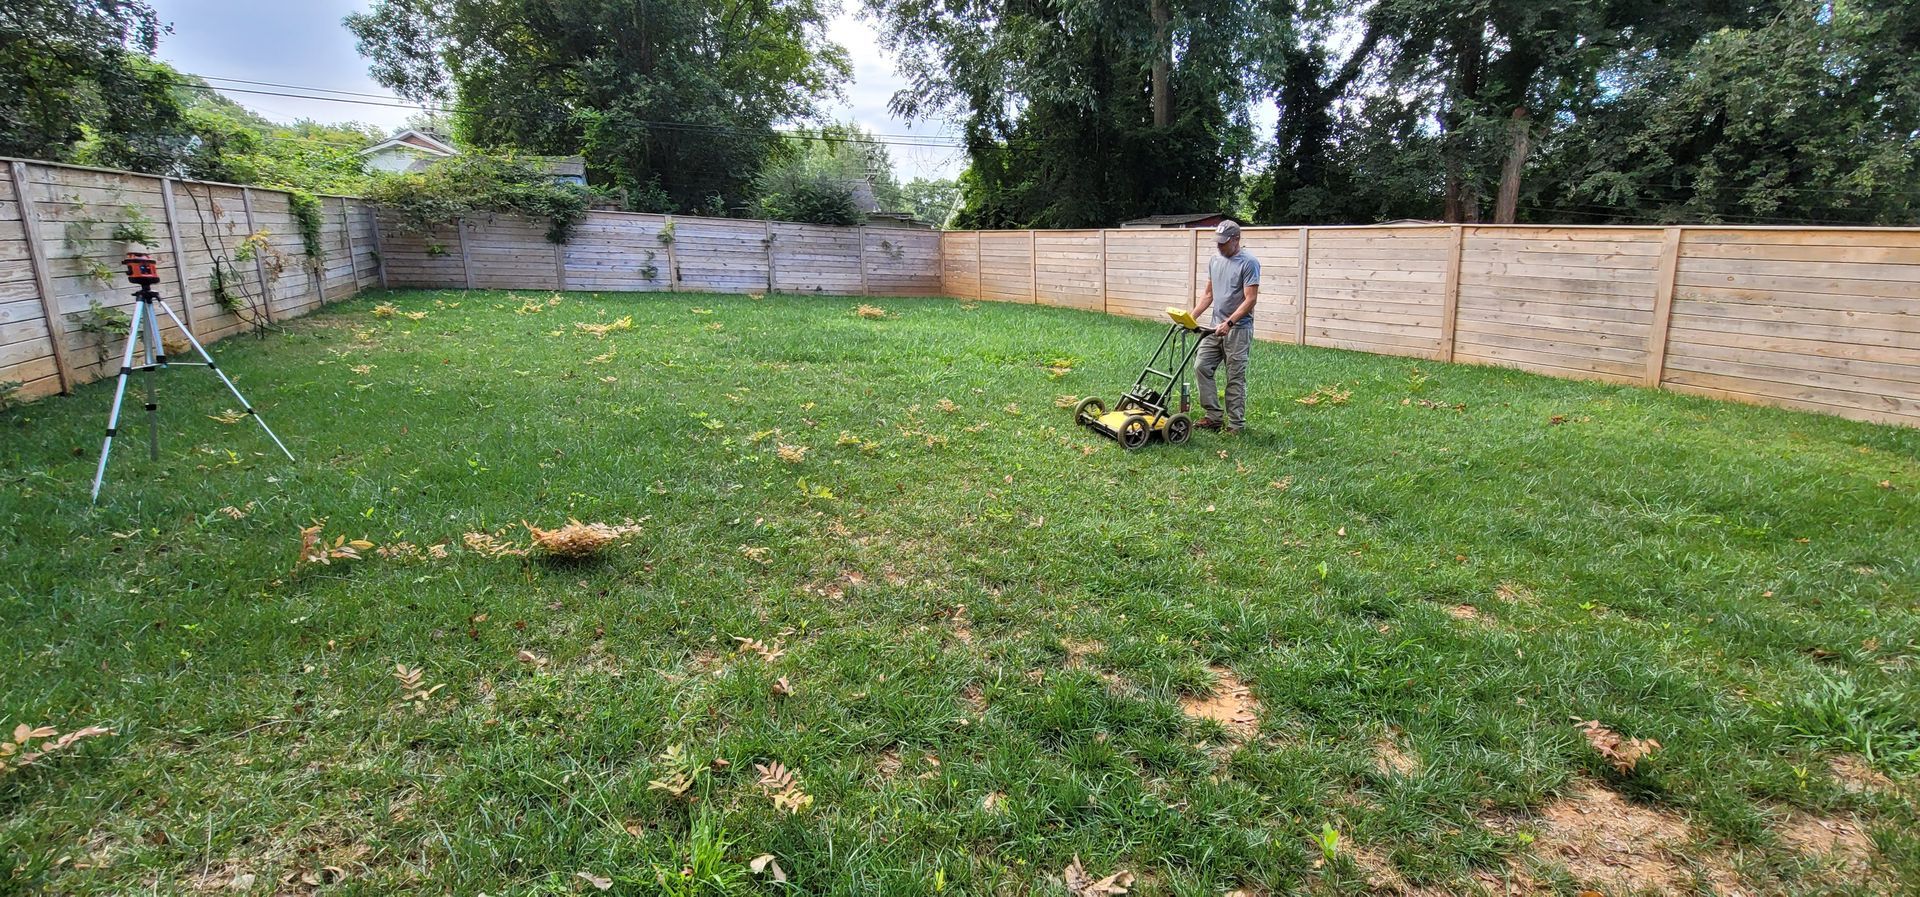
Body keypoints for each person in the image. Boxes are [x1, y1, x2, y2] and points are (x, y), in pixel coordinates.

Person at [1188, 220, 1259, 434]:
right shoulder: (1215, 260)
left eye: (1224, 242)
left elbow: (1250, 299)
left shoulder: (1249, 263)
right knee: (1201, 366)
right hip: (1214, 327)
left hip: (1238, 329)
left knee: (1235, 376)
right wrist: (1190, 318)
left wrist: (1229, 322)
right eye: (1217, 241)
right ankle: (1213, 416)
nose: (1219, 246)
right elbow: (1208, 294)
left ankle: (1236, 424)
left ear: (1236, 239)